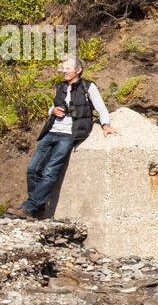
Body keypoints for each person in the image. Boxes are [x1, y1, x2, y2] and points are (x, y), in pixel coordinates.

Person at [8, 55, 118, 220]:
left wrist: (105, 125)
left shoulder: (88, 87)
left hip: (69, 134)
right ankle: (36, 207)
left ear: (78, 70)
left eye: (67, 68)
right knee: (33, 168)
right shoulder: (60, 87)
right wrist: (52, 111)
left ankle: (29, 208)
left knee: (50, 170)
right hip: (52, 130)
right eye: (63, 68)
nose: (64, 72)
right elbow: (52, 106)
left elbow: (101, 107)